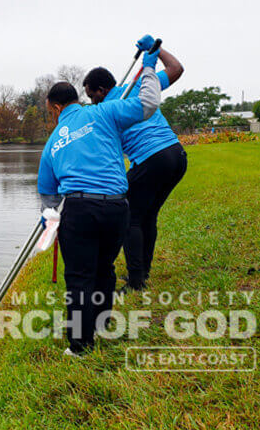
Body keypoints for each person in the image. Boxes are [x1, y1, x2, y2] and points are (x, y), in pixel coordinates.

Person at [37, 45, 162, 356]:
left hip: (80, 209)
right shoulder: (104, 111)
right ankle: (102, 322)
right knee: (104, 268)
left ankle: (79, 346)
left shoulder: (52, 142)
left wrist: (49, 219)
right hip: (117, 206)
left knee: (79, 277)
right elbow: (148, 103)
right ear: (77, 100)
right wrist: (148, 67)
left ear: (54, 108)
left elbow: (48, 196)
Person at [83, 34, 187, 291]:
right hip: (176, 155)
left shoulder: (105, 108)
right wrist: (158, 52)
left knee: (130, 217)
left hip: (153, 157)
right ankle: (143, 272)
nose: (90, 101)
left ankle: (136, 281)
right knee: (146, 215)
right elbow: (176, 69)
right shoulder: (143, 84)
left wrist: (155, 49)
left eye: (91, 96)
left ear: (102, 91)